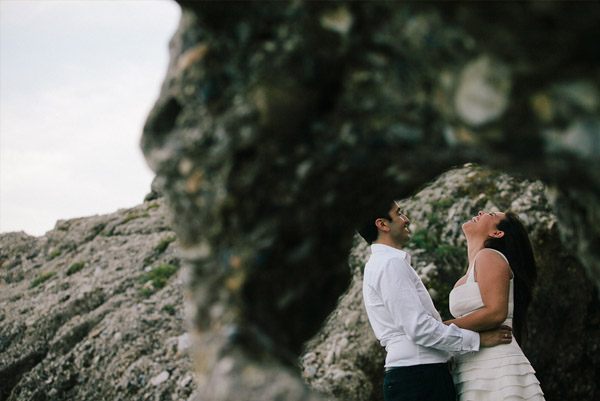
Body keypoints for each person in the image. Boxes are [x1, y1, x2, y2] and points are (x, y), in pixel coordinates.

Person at [358, 200, 513, 401]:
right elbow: (419, 328)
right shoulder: (390, 264)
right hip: (419, 378)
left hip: (417, 375)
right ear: (383, 225)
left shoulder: (385, 264)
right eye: (399, 214)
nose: (406, 220)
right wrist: (478, 340)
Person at [446, 210, 545, 400]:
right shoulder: (469, 272)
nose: (481, 212)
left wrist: (439, 328)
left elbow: (495, 313)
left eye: (490, 214)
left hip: (496, 365)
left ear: (497, 233)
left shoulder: (489, 257)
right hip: (472, 366)